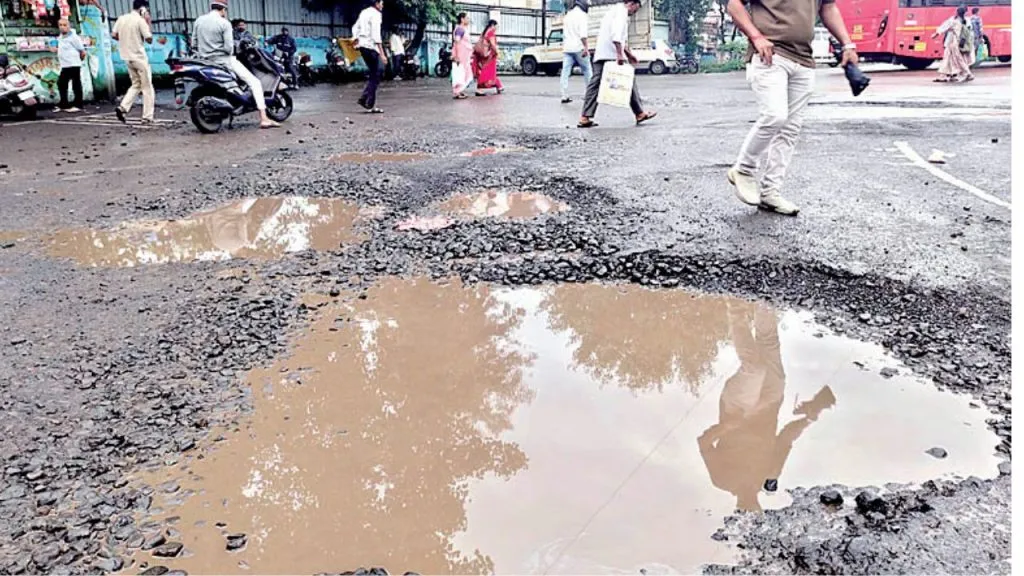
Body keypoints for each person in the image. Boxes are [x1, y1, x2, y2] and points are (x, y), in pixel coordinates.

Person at [725, 0, 858, 216]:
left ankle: (770, 192)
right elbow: (734, 5)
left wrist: (847, 44)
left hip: (804, 59)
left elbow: (828, 7)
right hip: (770, 54)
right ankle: (744, 170)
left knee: (790, 130)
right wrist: (756, 37)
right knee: (775, 116)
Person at [697, 302, 835, 512]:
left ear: (737, 507)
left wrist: (727, 427)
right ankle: (764, 301)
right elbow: (786, 439)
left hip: (737, 408)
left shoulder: (722, 480)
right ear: (759, 507)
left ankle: (736, 308)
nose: (748, 506)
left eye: (743, 509)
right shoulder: (770, 473)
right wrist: (808, 418)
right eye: (753, 510)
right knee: (769, 344)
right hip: (770, 404)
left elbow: (704, 443)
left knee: (754, 369)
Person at [192, 0, 279, 128]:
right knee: (255, 83)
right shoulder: (224, 23)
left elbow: (194, 44)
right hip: (224, 60)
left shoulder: (199, 21)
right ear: (223, 9)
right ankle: (264, 118)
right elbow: (229, 48)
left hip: (205, 61)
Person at [578, 0, 656, 129]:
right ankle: (639, 113)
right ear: (631, 3)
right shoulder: (621, 13)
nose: (635, 12)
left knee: (600, 85)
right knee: (622, 81)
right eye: (636, 8)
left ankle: (585, 116)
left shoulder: (614, 10)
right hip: (610, 55)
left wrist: (629, 55)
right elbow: (616, 36)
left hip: (604, 53)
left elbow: (617, 37)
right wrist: (620, 55)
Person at [112, 0, 154, 124]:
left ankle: (123, 107)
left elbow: (114, 34)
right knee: (147, 88)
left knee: (136, 84)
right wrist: (148, 22)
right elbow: (149, 39)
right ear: (142, 9)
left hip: (127, 57)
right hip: (139, 58)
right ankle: (147, 117)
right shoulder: (140, 21)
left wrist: (126, 40)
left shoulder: (122, 18)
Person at [353, 0, 386, 113]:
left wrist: (356, 40)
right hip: (371, 47)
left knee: (374, 74)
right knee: (379, 71)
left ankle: (370, 104)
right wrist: (382, 54)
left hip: (363, 47)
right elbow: (376, 35)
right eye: (381, 3)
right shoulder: (376, 14)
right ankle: (365, 99)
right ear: (376, 3)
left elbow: (355, 27)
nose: (382, 5)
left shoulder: (364, 12)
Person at [560, 0, 593, 104]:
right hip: (579, 48)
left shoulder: (567, 16)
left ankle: (564, 95)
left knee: (565, 73)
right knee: (587, 70)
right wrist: (586, 48)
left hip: (567, 48)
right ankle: (590, 94)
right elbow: (583, 35)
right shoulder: (582, 16)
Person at [53, 18, 86, 113]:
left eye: (64, 25)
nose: (62, 27)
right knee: (62, 83)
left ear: (69, 26)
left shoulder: (74, 37)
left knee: (76, 84)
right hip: (65, 64)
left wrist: (79, 61)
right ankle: (64, 103)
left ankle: (78, 104)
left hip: (73, 64)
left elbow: (82, 51)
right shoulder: (60, 37)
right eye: (60, 25)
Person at [933, 6, 974, 83]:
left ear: (957, 12)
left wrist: (936, 33)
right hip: (960, 42)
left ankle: (968, 74)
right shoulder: (966, 20)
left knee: (956, 59)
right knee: (950, 59)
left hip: (953, 42)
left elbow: (944, 27)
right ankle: (950, 75)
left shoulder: (954, 21)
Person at [472, 20, 503, 96]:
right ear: (492, 25)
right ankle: (481, 88)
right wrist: (497, 52)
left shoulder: (484, 32)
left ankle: (498, 86)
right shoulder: (491, 33)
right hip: (489, 56)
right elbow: (493, 45)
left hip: (482, 55)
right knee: (488, 72)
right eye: (496, 26)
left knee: (485, 71)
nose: (496, 28)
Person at [451, 12, 474, 100]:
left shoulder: (463, 29)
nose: (468, 20)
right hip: (460, 56)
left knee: (464, 73)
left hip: (465, 56)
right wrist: (456, 55)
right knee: (460, 73)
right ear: (462, 19)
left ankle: (460, 91)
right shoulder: (460, 29)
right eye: (467, 18)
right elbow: (457, 41)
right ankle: (457, 92)